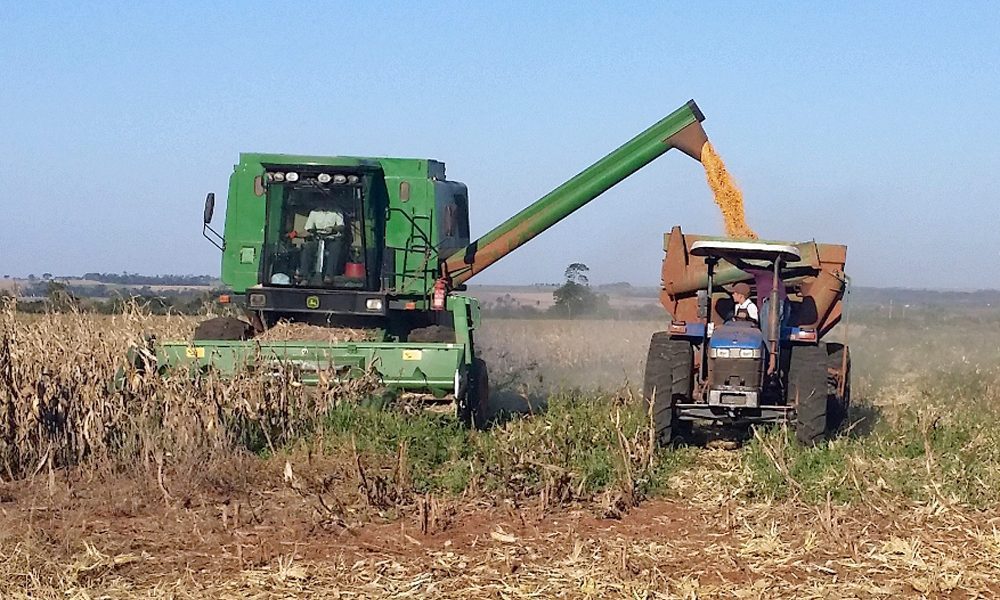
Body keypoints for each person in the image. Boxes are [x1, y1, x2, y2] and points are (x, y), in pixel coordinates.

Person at [294, 207, 346, 283]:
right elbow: (308, 230)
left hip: (332, 238)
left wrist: (334, 228)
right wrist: (295, 234)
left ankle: (329, 275)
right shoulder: (314, 212)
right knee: (307, 247)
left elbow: (342, 226)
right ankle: (303, 275)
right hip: (317, 238)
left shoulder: (337, 212)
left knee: (335, 248)